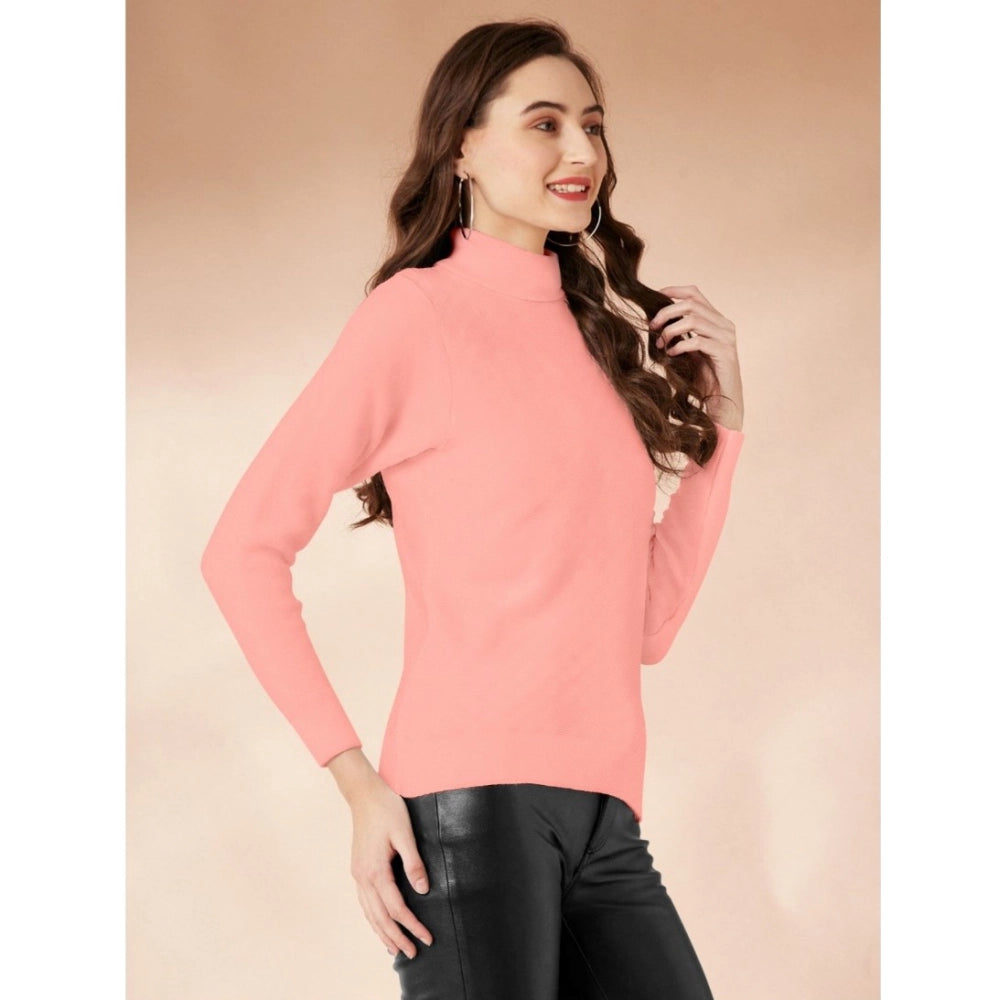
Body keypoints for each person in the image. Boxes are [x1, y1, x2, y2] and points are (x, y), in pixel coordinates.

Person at [201, 17, 745, 999]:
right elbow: (240, 549)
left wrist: (722, 429)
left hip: (606, 817)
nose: (580, 152)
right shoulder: (416, 315)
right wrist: (356, 781)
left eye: (592, 125)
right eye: (544, 124)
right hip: (466, 811)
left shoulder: (596, 343)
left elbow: (647, 626)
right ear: (462, 147)